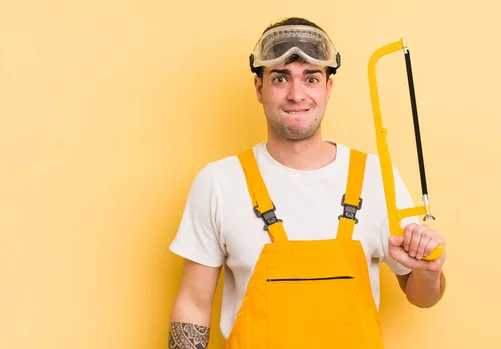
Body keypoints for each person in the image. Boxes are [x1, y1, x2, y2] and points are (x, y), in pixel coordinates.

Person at [167, 17, 447, 349]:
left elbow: (422, 297)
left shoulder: (376, 177)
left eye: (311, 78)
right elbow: (193, 305)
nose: (296, 94)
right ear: (259, 88)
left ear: (328, 88)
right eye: (280, 78)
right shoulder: (218, 183)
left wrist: (428, 273)